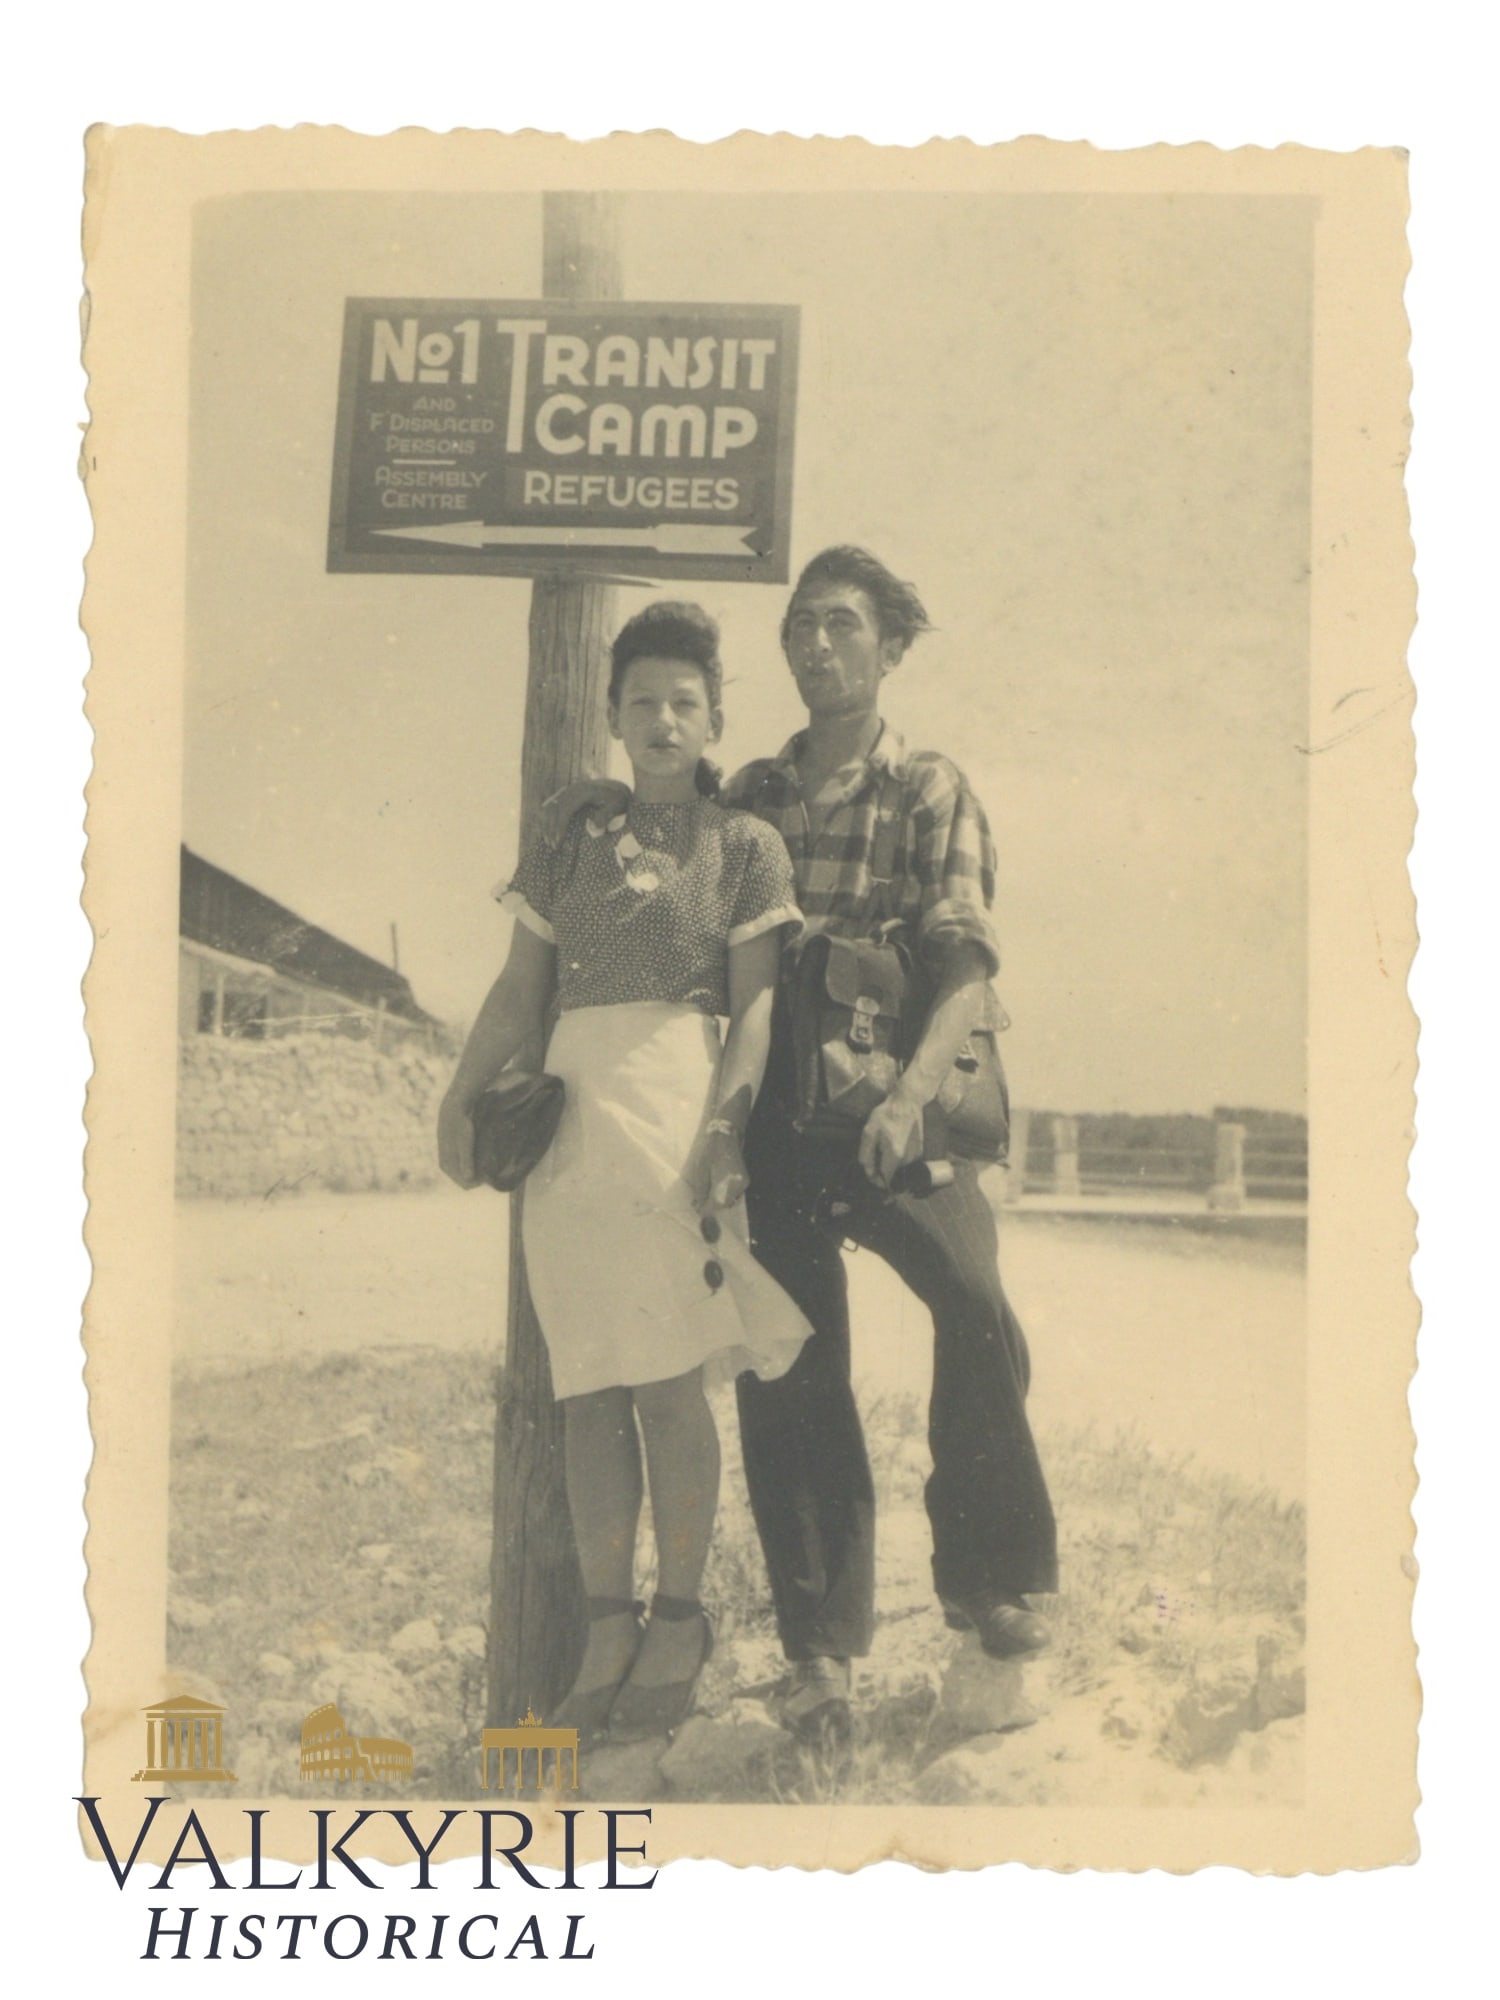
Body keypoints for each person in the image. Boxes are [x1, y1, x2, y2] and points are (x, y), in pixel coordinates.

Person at [548, 548, 1057, 1740]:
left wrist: (908, 1099)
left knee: (975, 1299)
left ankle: (991, 1579)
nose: (817, 646)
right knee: (793, 1372)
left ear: (891, 646)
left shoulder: (929, 786)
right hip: (782, 1114)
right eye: (800, 627)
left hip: (900, 1107)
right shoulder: (756, 792)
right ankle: (820, 1653)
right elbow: (666, 812)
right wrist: (596, 803)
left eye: (842, 625)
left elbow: (967, 964)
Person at [437, 600, 809, 1743]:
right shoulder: (569, 837)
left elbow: (755, 1008)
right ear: (611, 713)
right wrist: (460, 1091)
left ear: (714, 720)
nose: (662, 719)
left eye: (684, 701)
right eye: (641, 699)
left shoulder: (745, 847)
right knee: (589, 1385)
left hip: (675, 1110)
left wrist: (724, 1130)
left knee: (666, 1380)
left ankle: (681, 1618)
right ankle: (609, 1626)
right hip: (571, 1124)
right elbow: (521, 988)